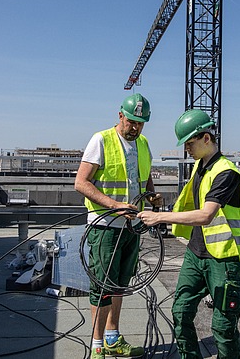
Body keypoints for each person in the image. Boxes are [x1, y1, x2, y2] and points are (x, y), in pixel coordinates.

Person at [137, 109, 240, 359]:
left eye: (190, 143)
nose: (187, 149)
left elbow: (205, 215)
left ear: (206, 138)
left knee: (223, 328)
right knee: (180, 312)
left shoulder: (226, 173)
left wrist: (159, 217)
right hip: (196, 253)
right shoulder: (200, 166)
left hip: (224, 259)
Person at [75, 93, 162, 359]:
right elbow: (81, 183)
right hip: (105, 227)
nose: (135, 127)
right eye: (132, 121)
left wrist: (152, 196)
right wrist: (114, 205)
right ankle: (97, 345)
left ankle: (113, 339)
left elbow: (142, 178)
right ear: (120, 116)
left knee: (120, 285)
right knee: (102, 286)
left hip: (132, 227)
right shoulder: (101, 140)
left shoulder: (143, 143)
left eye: (141, 123)